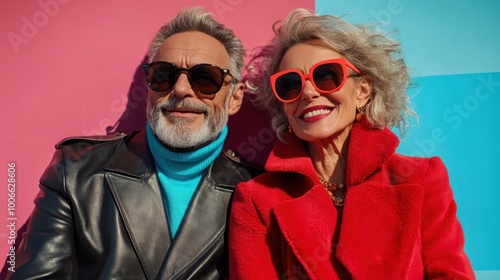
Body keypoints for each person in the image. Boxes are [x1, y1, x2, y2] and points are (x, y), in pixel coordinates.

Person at [8, 6, 262, 280]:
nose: (180, 89)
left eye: (205, 78)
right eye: (164, 74)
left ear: (234, 98)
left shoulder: (260, 191)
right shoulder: (77, 170)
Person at [228, 8, 475, 279]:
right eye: (290, 84)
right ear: (283, 106)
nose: (309, 92)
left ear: (362, 90)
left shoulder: (422, 179)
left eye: (326, 76)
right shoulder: (256, 200)